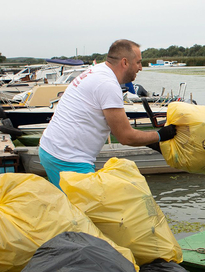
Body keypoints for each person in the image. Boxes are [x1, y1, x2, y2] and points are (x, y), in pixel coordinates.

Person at [38, 39, 177, 189]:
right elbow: (125, 136)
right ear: (125, 62)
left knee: (74, 208)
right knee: (92, 210)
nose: (140, 68)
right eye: (138, 62)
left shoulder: (99, 71)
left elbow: (110, 123)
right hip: (67, 159)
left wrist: (150, 142)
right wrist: (161, 135)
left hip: (53, 149)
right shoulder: (108, 84)